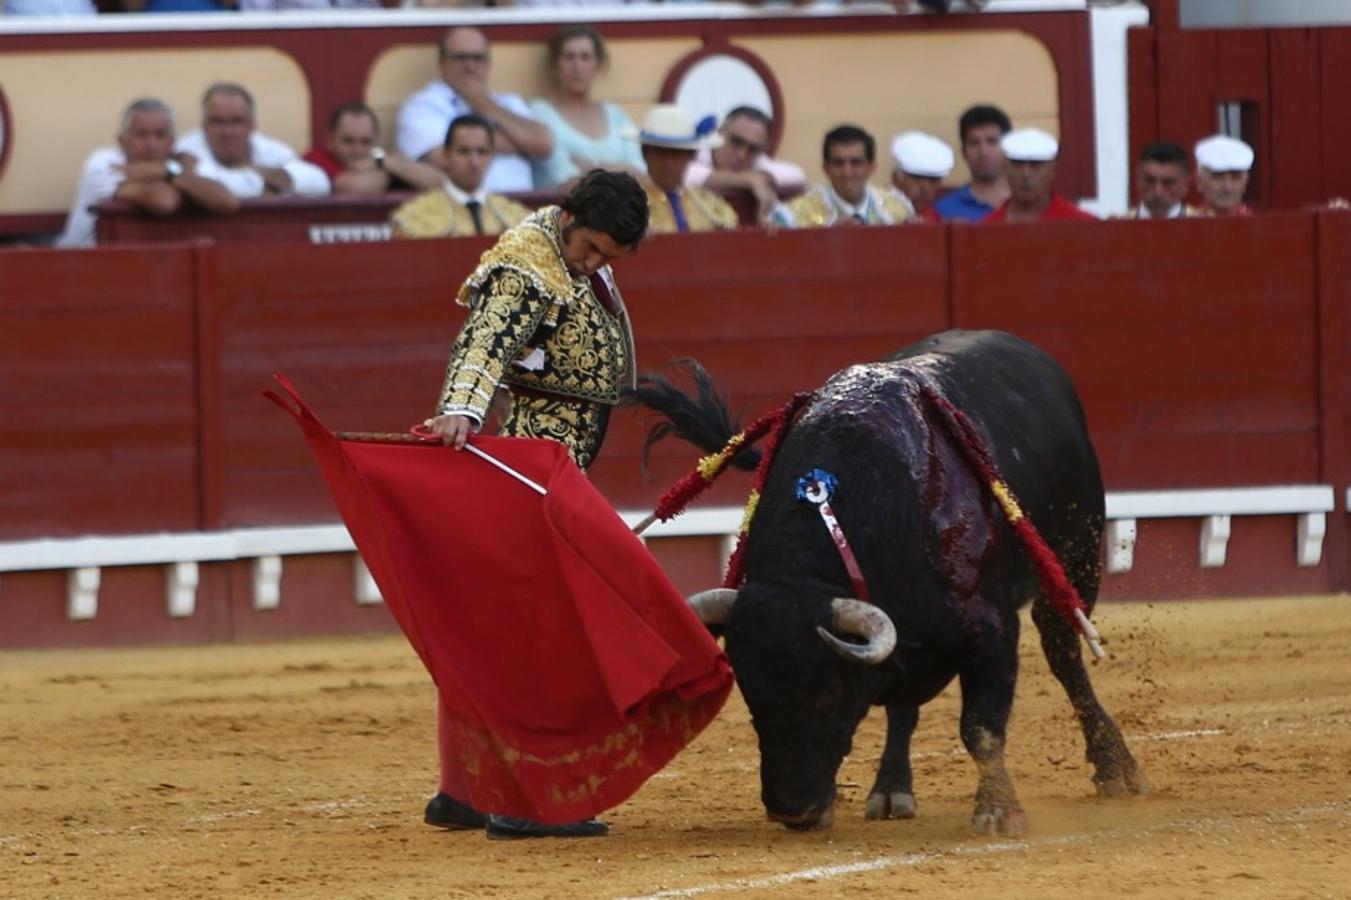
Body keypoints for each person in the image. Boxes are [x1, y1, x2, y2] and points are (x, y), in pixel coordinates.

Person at [421, 170, 648, 839]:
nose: (595, 263)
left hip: (554, 466)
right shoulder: (529, 263)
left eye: (608, 256)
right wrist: (461, 409)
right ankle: (528, 799)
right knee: (546, 631)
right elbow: (484, 339)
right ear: (570, 216)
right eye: (592, 249)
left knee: (497, 629)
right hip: (532, 471)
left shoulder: (565, 249)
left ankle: (463, 791)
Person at [56, 98, 238, 248]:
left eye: (160, 135)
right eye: (141, 135)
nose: (151, 145)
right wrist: (173, 174)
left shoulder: (178, 165)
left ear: (173, 142)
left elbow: (227, 202)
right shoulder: (103, 163)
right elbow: (164, 202)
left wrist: (170, 173)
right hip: (79, 262)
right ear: (122, 141)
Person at [396, 26, 553, 193]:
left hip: (520, 208)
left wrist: (486, 105)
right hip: (457, 210)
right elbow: (440, 158)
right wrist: (518, 142)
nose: (470, 66)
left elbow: (543, 144)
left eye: (478, 58)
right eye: (461, 58)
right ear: (442, 63)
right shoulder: (422, 105)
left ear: (488, 63)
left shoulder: (510, 102)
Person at [528, 25, 646, 190]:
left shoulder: (615, 113)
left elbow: (642, 172)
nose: (578, 67)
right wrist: (619, 168)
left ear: (597, 65)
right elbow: (562, 180)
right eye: (569, 57)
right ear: (556, 64)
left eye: (585, 57)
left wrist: (592, 167)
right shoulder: (540, 112)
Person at [176, 83, 330, 199]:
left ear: (252, 125)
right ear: (203, 126)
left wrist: (271, 175)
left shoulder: (269, 148)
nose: (228, 131)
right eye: (218, 122)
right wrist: (269, 182)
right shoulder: (187, 148)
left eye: (237, 121)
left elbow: (320, 182)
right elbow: (217, 188)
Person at [390, 114, 531, 238]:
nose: (474, 162)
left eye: (482, 152)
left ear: (492, 156)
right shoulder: (414, 218)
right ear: (446, 154)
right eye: (464, 151)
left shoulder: (517, 218)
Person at [770, 124, 909, 228]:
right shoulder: (791, 216)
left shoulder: (898, 209)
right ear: (826, 169)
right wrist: (826, 237)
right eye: (838, 163)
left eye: (856, 163)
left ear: (872, 167)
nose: (847, 172)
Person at [683, 106, 807, 223]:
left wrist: (759, 178)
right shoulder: (694, 152)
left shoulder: (758, 162)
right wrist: (749, 179)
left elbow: (797, 175)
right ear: (719, 132)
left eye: (753, 149)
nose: (742, 154)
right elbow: (684, 173)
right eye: (736, 141)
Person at [633, 105, 738, 233]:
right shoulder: (629, 205)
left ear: (691, 155)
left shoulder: (709, 203)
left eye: (677, 154)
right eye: (660, 153)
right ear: (645, 154)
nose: (668, 163)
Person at [304, 103, 444, 197]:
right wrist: (390, 171)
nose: (357, 151)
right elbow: (353, 189)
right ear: (330, 140)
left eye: (366, 142)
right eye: (348, 141)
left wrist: (383, 161)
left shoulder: (380, 159)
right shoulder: (315, 160)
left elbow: (440, 184)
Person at [981, 127, 1097, 223]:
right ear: (1005, 168)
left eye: (1036, 166)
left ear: (1052, 170)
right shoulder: (987, 227)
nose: (1026, 174)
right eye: (1017, 165)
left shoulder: (1082, 224)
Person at [933, 104, 1011, 222]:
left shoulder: (1028, 202)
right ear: (964, 152)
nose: (983, 152)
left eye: (992, 141)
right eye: (974, 143)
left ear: (1009, 148)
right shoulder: (944, 211)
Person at [889, 130, 954, 223]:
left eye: (933, 180)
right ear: (896, 178)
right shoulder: (876, 215)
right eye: (916, 178)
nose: (925, 188)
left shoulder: (941, 219)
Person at [1123, 141, 1199, 219]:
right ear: (1138, 180)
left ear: (1186, 185)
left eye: (1168, 183)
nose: (1158, 192)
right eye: (1150, 181)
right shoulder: (1118, 227)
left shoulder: (1206, 227)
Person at [1194, 134, 1255, 217]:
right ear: (1199, 182)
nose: (1227, 187)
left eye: (1235, 178)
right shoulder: (1183, 227)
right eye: (1218, 177)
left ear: (1245, 183)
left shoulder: (1262, 227)